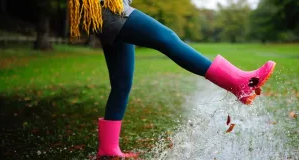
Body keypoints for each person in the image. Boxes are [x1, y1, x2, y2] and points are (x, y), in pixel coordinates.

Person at [68, 0, 276, 158]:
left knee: (121, 83)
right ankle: (238, 83)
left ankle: (108, 148)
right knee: (165, 37)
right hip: (104, 7)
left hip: (102, 9)